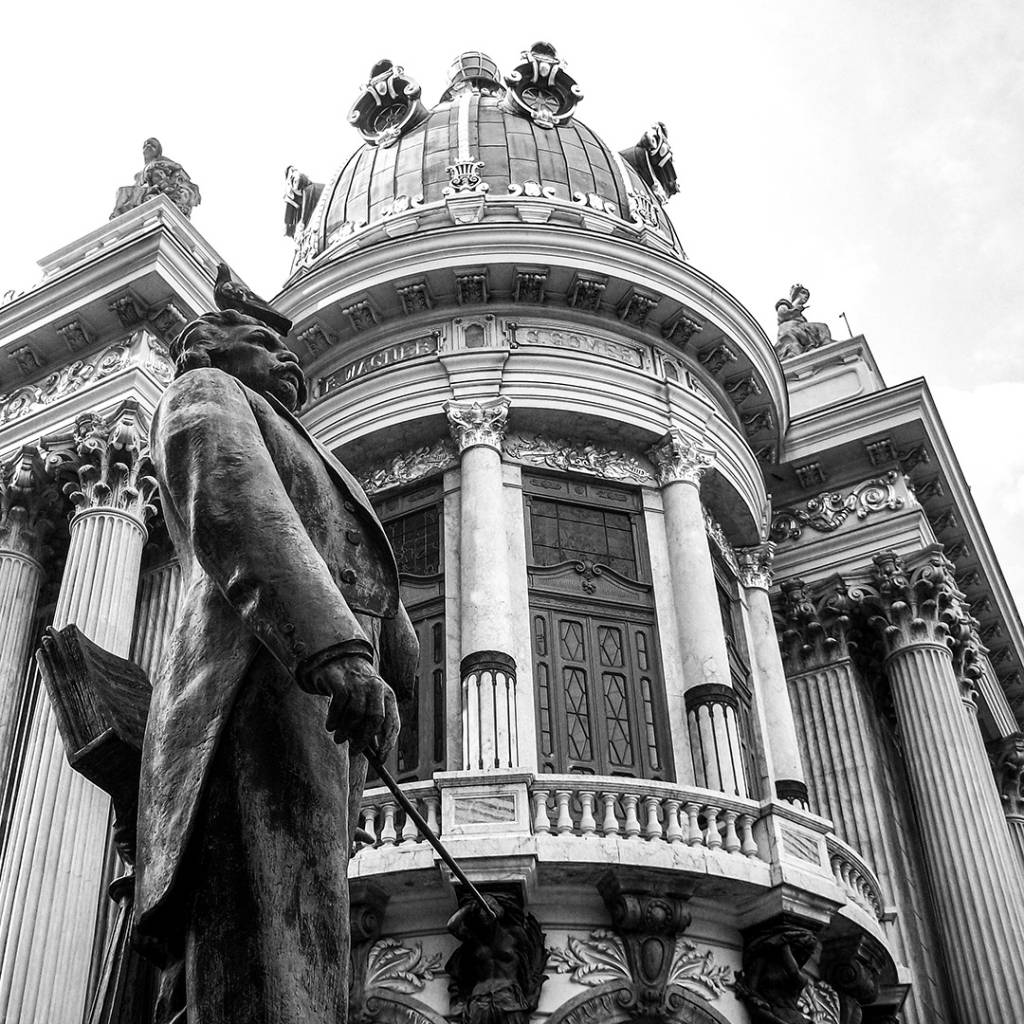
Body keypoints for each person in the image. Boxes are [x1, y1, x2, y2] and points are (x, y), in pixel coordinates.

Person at [134, 306, 418, 1023]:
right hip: (254, 683)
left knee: (303, 936)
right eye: (263, 343)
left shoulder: (308, 447)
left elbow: (369, 582)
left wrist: (394, 684)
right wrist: (338, 651)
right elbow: (241, 511)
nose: (289, 358)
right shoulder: (208, 394)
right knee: (265, 927)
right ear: (211, 351)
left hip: (316, 705)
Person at [775, 284, 832, 359]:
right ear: (796, 293)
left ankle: (826, 344)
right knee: (821, 327)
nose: (806, 297)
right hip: (790, 329)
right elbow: (783, 314)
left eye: (807, 296)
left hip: (799, 329)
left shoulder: (801, 316)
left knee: (822, 327)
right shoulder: (784, 304)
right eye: (803, 293)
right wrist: (797, 303)